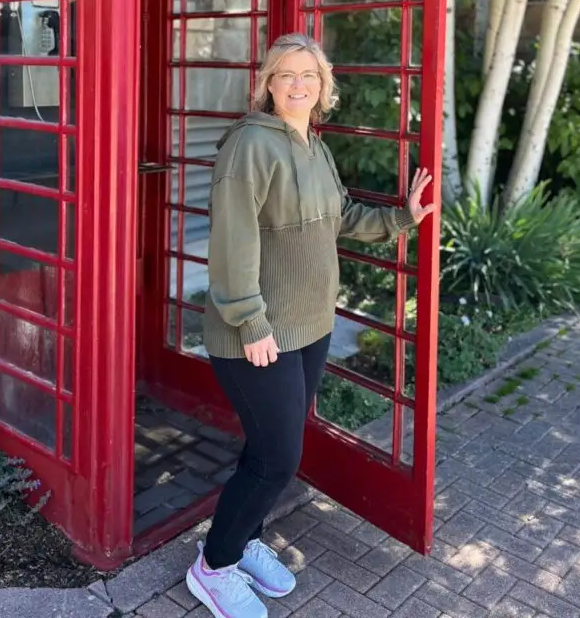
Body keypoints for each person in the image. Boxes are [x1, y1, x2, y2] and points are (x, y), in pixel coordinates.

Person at [186, 33, 436, 618]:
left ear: (324, 87)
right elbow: (232, 243)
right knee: (277, 456)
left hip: (310, 324)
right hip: (259, 330)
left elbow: (339, 215)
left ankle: (239, 541)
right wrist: (251, 322)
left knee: (271, 449)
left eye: (310, 75)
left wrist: (404, 215)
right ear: (268, 83)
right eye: (287, 74)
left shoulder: (314, 146)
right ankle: (213, 566)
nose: (299, 85)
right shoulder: (250, 145)